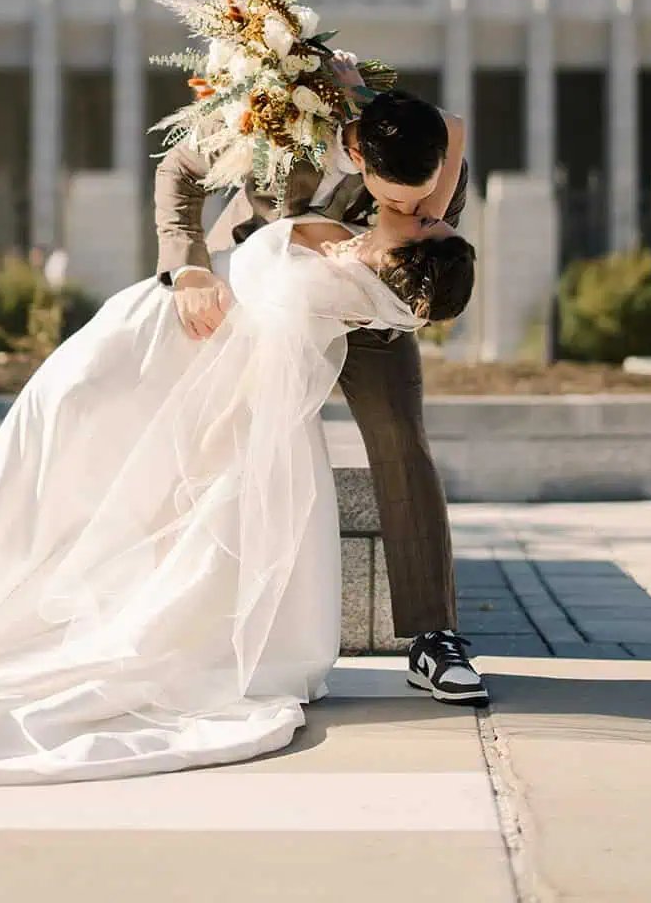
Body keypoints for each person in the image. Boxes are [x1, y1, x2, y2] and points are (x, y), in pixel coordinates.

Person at [0, 209, 473, 787]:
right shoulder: (357, 245)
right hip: (138, 337)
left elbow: (247, 380)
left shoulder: (323, 291)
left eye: (432, 229)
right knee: (29, 482)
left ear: (397, 267)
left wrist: (194, 462)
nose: (432, 214)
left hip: (151, 360)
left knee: (32, 493)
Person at [155, 83, 488, 705]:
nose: (419, 213)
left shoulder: (435, 167)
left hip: (366, 312)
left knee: (401, 440)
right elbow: (180, 168)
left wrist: (383, 294)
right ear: (361, 159)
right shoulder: (278, 121)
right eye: (402, 203)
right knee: (223, 443)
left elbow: (426, 265)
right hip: (255, 292)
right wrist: (190, 266)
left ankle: (433, 637)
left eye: (426, 202)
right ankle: (191, 619)